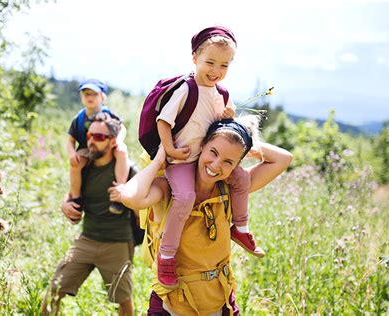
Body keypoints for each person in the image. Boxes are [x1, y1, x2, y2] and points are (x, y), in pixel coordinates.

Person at [119, 117, 293, 315]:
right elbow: (129, 197)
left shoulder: (230, 189)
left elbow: (284, 158)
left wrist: (241, 139)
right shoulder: (168, 188)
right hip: (172, 305)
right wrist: (159, 160)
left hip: (220, 302)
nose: (216, 165)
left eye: (228, 161)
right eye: (214, 152)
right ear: (201, 146)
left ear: (236, 165)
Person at [154, 25, 262, 288]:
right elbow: (164, 121)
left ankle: (241, 227)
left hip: (206, 157)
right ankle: (166, 255)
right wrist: (169, 150)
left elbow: (225, 126)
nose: (216, 71)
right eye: (210, 62)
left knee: (241, 180)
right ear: (194, 58)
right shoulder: (186, 89)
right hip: (182, 159)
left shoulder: (221, 93)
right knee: (185, 197)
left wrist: (228, 116)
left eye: (224, 65)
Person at [42, 113, 134, 316]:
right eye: (90, 135)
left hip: (117, 243)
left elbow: (141, 200)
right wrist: (64, 204)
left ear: (112, 142)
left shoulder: (127, 169)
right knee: (53, 291)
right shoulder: (84, 166)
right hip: (87, 240)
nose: (92, 140)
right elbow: (72, 195)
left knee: (124, 299)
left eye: (99, 137)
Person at [67, 78, 129, 214]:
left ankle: (119, 192)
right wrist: (72, 153)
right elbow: (70, 139)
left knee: (122, 152)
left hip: (107, 147)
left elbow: (122, 128)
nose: (90, 97)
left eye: (94, 94)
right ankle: (76, 198)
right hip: (86, 149)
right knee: (75, 164)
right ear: (81, 97)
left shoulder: (108, 114)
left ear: (102, 97)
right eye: (86, 94)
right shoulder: (79, 118)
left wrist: (119, 140)